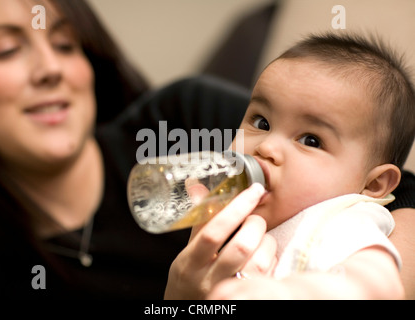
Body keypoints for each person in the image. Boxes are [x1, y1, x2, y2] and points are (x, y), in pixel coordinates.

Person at [0, 0, 414, 300]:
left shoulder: (182, 118)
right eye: (5, 50)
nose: (49, 68)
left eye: (65, 44)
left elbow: (393, 209)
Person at [165, 33, 415, 299]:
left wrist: (295, 292)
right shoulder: (227, 224)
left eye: (311, 140)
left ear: (373, 184)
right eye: (262, 122)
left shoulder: (340, 220)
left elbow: (377, 281)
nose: (266, 147)